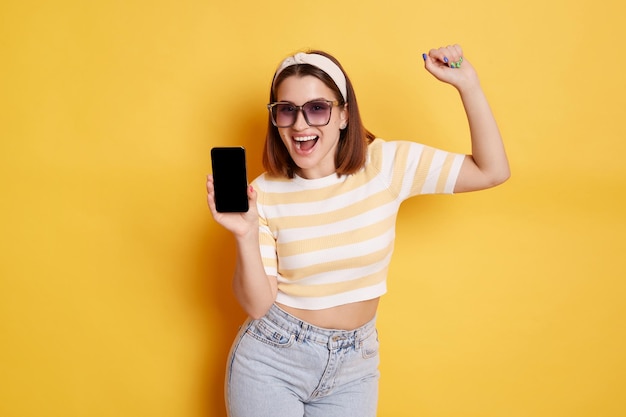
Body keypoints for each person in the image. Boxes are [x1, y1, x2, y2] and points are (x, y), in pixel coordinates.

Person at [206, 44, 510, 417]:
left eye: (317, 108)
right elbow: (257, 304)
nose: (301, 125)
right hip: (272, 360)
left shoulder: (385, 165)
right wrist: (244, 233)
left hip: (355, 364)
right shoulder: (265, 193)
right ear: (276, 119)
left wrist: (469, 85)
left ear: (344, 115)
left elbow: (491, 171)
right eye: (287, 111)